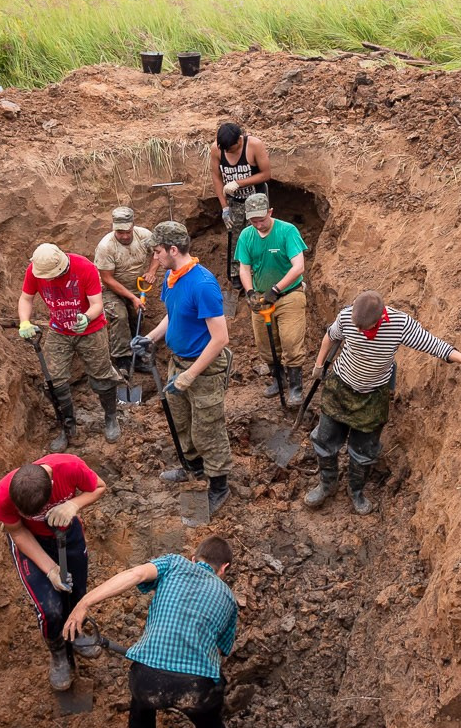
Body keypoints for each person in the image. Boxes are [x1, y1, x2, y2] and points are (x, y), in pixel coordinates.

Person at [64, 537, 237, 728]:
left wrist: (84, 603)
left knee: (141, 707)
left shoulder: (174, 564)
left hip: (147, 681)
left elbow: (135, 574)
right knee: (210, 722)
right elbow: (222, 649)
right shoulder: (229, 598)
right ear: (224, 568)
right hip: (196, 689)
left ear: (193, 558)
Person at [305, 290, 461, 515]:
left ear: (379, 318)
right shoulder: (347, 316)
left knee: (364, 451)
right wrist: (319, 365)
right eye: (356, 326)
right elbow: (330, 336)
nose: (358, 331)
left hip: (372, 397)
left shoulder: (399, 324)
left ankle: (356, 491)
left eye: (364, 328)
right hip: (340, 388)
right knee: (324, 440)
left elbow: (434, 345)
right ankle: (327, 484)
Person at [130, 222, 232, 516]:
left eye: (158, 251)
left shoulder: (203, 285)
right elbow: (172, 316)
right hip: (178, 362)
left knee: (208, 429)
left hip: (204, 369)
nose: (155, 256)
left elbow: (220, 338)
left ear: (173, 250)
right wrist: (150, 338)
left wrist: (190, 375)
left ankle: (219, 485)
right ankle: (193, 466)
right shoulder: (171, 276)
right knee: (181, 421)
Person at [0, 454, 108, 691]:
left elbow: (99, 486)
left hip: (68, 535)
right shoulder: (3, 495)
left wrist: (73, 504)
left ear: (52, 485)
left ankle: (75, 633)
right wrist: (51, 569)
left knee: (77, 593)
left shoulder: (69, 467)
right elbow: (18, 532)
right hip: (32, 542)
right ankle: (58, 652)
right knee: (51, 609)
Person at [19, 243, 120, 448]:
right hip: (59, 330)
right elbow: (26, 298)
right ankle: (68, 427)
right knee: (54, 381)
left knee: (102, 376)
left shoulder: (84, 267)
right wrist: (24, 322)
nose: (48, 280)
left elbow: (97, 304)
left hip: (91, 330)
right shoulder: (35, 270)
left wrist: (86, 317)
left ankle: (111, 417)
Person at [233, 193, 309, 407]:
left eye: (261, 219)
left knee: (291, 341)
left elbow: (299, 267)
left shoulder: (287, 231)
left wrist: (276, 289)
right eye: (253, 221)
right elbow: (244, 269)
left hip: (289, 294)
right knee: (265, 343)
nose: (258, 224)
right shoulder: (246, 235)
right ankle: (279, 380)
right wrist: (250, 292)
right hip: (262, 296)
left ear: (270, 212)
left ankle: (295, 387)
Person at [95, 206, 164, 378]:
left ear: (133, 225)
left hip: (136, 287)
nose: (125, 236)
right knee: (120, 316)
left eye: (128, 231)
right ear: (114, 228)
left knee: (136, 318)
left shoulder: (144, 236)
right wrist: (132, 297)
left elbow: (158, 253)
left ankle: (136, 354)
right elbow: (107, 279)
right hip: (111, 290)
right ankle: (122, 360)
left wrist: (151, 271)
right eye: (120, 232)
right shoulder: (106, 246)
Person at [211, 122, 270, 236]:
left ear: (239, 140)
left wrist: (238, 183)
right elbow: (216, 177)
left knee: (256, 234)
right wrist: (225, 207)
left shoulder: (254, 145)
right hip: (234, 201)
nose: (227, 152)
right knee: (235, 237)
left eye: (230, 149)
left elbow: (266, 174)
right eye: (225, 150)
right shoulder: (217, 149)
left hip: (256, 199)